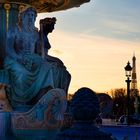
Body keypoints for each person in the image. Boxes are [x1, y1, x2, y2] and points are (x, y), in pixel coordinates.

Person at [4, 7, 55, 110]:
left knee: (47, 68)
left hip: (31, 58)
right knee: (22, 73)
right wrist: (19, 58)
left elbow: (39, 52)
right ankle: (21, 103)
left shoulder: (35, 34)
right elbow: (8, 49)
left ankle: (41, 101)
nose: (31, 18)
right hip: (14, 58)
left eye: (33, 15)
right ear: (22, 17)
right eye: (28, 15)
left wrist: (43, 40)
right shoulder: (14, 30)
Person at [38, 17, 71, 93]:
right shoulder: (40, 36)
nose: (53, 28)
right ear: (47, 25)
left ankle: (61, 94)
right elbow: (41, 54)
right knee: (62, 73)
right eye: (52, 25)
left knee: (66, 74)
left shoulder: (44, 36)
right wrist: (57, 60)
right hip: (41, 59)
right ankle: (56, 92)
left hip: (46, 59)